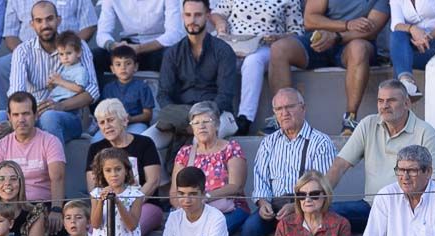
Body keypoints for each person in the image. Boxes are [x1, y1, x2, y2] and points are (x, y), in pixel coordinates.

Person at [325, 78, 435, 231]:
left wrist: (416, 210)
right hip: (371, 207)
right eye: (380, 101)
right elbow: (340, 165)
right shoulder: (368, 124)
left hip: (408, 211)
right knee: (321, 213)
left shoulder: (426, 133)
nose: (384, 106)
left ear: (407, 103)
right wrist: (318, 197)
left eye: (391, 100)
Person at [266, 0, 390, 137]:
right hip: (320, 38)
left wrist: (336, 37)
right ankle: (281, 116)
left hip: (352, 42)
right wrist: (346, 25)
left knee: (359, 48)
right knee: (279, 48)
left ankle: (350, 118)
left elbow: (372, 29)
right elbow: (310, 19)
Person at [240, 88, 337, 236]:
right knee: (250, 227)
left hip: (306, 206)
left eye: (289, 107)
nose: (284, 113)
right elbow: (261, 179)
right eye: (279, 109)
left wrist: (296, 206)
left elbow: (323, 187)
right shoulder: (268, 142)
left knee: (296, 231)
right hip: (274, 205)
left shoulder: (320, 142)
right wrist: (263, 204)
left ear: (303, 108)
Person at [0, 1, 99, 146]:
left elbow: (93, 91)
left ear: (58, 20)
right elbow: (17, 92)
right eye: (39, 21)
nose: (45, 25)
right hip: (30, 113)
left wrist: (61, 106)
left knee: (49, 117)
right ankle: (6, 168)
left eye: (49, 19)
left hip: (67, 115)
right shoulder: (23, 51)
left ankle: (54, 168)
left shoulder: (79, 46)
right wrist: (27, 117)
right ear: (32, 24)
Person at [147, 0, 239, 151]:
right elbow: (163, 95)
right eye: (188, 15)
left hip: (218, 115)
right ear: (183, 16)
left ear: (207, 16)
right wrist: (187, 120)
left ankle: (184, 171)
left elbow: (225, 96)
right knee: (146, 142)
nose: (192, 21)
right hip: (182, 116)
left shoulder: (223, 51)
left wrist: (199, 120)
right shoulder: (172, 53)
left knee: (200, 140)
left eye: (198, 15)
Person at [209, 0, 303, 135]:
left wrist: (278, 37)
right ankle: (215, 113)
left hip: (264, 45)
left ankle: (244, 119)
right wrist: (220, 23)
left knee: (253, 62)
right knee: (221, 57)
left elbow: (297, 32)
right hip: (234, 42)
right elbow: (218, 13)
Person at [86, 99, 164, 236]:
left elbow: (153, 181)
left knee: (129, 229)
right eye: (102, 122)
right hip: (107, 205)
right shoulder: (95, 149)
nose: (107, 126)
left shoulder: (145, 143)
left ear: (124, 120)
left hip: (145, 204)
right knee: (93, 233)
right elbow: (94, 187)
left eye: (111, 120)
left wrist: (130, 204)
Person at [0, 93, 66, 230]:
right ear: (9, 117)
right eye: (16, 115)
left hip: (44, 204)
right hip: (12, 207)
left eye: (26, 114)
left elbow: (57, 178)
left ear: (36, 115)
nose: (21, 119)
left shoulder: (50, 141)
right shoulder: (1, 146)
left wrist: (56, 210)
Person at [170, 101, 249, 234]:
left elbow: (236, 186)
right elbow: (174, 192)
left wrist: (204, 198)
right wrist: (186, 209)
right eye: (196, 123)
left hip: (229, 210)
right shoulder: (185, 153)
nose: (201, 126)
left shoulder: (231, 148)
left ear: (217, 124)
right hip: (193, 210)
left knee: (208, 235)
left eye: (206, 121)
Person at [92, 0, 181, 76]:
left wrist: (140, 48)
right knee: (94, 57)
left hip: (158, 45)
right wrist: (115, 46)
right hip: (128, 46)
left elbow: (174, 34)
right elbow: (102, 34)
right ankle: (100, 94)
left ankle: (166, 95)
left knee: (173, 57)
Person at [388, 0, 435, 99]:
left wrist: (428, 37)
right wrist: (412, 29)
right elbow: (396, 24)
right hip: (418, 44)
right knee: (397, 36)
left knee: (400, 59)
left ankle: (404, 92)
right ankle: (407, 82)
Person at [97, 46, 154, 138]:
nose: (123, 68)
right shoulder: (108, 88)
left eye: (128, 63)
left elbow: (148, 115)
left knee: (135, 139)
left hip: (136, 123)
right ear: (112, 69)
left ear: (135, 67)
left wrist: (131, 119)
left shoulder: (142, 87)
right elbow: (104, 112)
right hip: (113, 125)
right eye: (118, 64)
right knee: (97, 140)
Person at [47, 31, 92, 106]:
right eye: (61, 54)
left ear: (78, 53)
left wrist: (60, 81)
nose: (65, 57)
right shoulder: (62, 69)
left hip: (68, 103)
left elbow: (79, 89)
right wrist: (52, 84)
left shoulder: (80, 70)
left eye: (69, 53)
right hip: (54, 100)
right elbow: (57, 88)